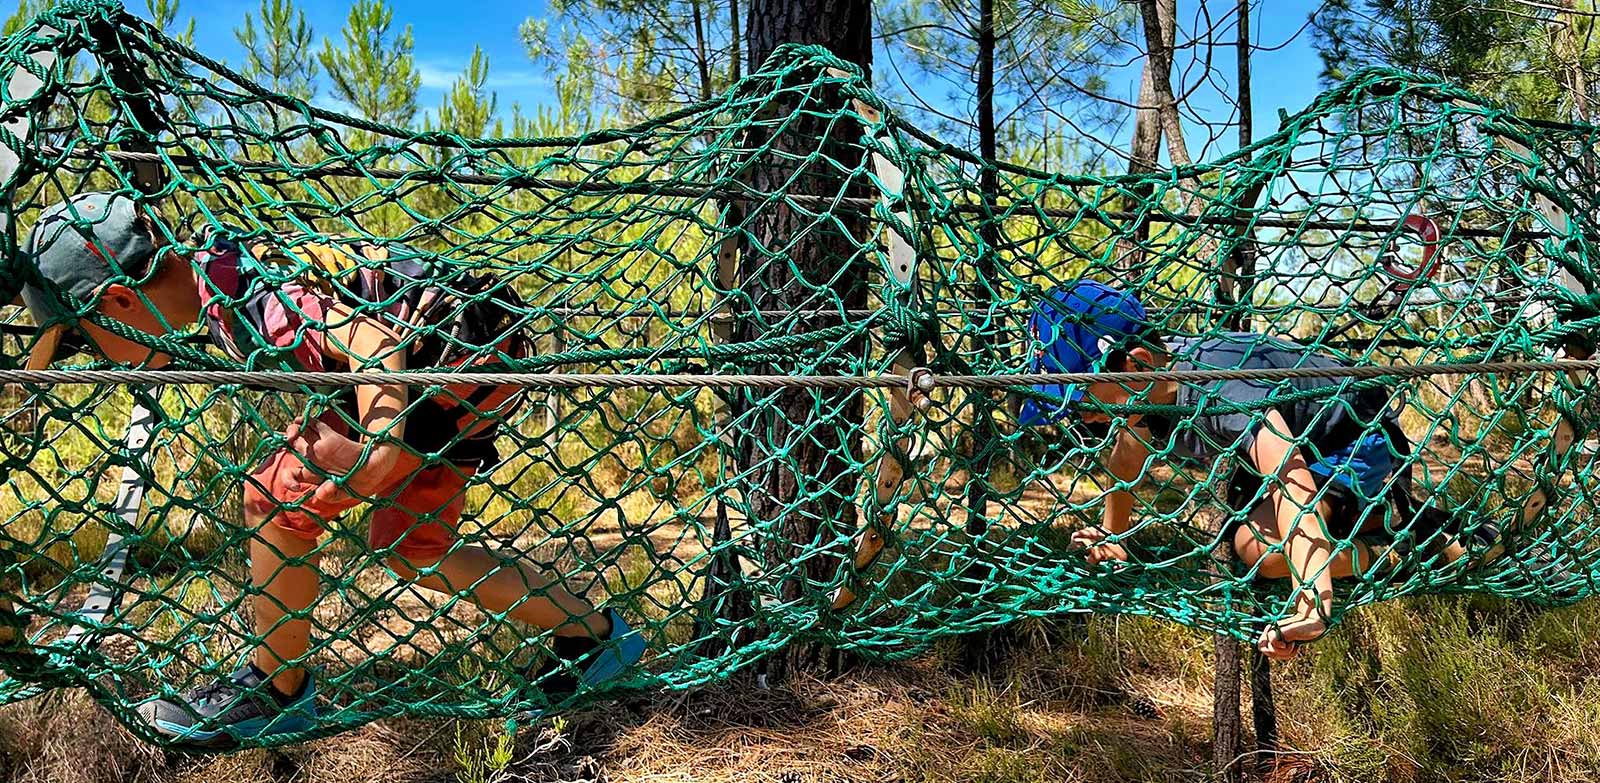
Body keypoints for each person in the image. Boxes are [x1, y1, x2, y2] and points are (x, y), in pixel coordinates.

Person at [18, 191, 646, 748]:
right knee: (412, 546)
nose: (89, 358)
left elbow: (371, 337)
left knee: (273, 499)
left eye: (80, 339)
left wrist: (379, 447)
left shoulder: (244, 287)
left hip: (437, 364)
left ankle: (276, 691)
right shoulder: (223, 274)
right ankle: (595, 638)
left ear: (121, 300)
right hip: (476, 363)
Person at [1018, 279, 1485, 660]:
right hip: (1282, 449)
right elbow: (1127, 456)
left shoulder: (1219, 391)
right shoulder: (1148, 389)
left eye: (1084, 398)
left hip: (1350, 440)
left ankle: (1409, 544)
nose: (1081, 414)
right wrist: (1111, 534)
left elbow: (1292, 476)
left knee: (1259, 549)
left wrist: (1312, 598)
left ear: (1134, 364)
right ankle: (1399, 537)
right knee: (1253, 541)